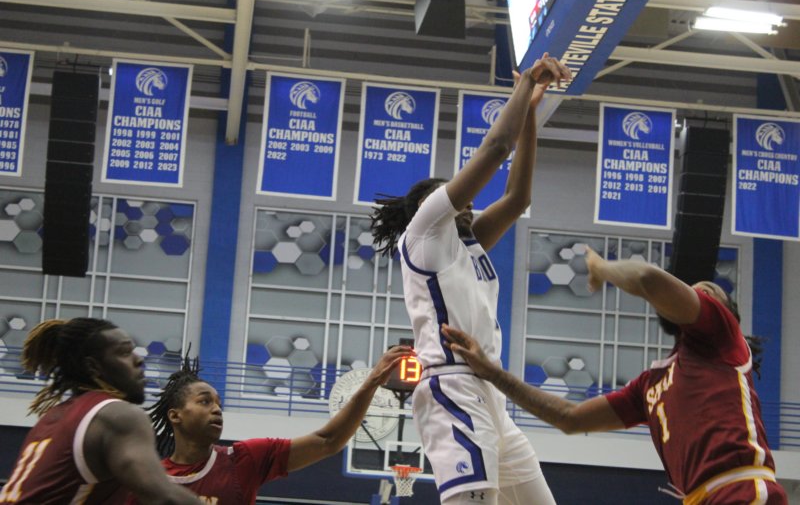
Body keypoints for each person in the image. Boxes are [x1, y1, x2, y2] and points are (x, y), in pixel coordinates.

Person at [370, 53, 571, 505]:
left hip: (491, 393)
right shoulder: (424, 234)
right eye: (458, 197)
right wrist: (525, 84)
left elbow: (517, 198)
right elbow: (495, 148)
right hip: (453, 386)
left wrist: (530, 114)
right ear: (433, 207)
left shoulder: (467, 243)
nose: (469, 203)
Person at [443, 248, 788, 505]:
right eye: (695, 288)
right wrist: (493, 373)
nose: (698, 293)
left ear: (726, 314)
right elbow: (569, 418)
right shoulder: (651, 383)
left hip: (741, 489)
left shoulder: (721, 338)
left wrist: (601, 268)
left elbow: (647, 279)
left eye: (709, 291)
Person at [125, 345, 413, 504]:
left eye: (219, 403)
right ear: (175, 415)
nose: (216, 409)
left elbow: (328, 441)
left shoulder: (243, 460)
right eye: (204, 401)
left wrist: (372, 382)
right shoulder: (147, 481)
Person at [0, 318, 201, 505]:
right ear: (93, 367)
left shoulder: (51, 418)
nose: (138, 360)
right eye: (124, 352)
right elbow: (161, 496)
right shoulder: (116, 415)